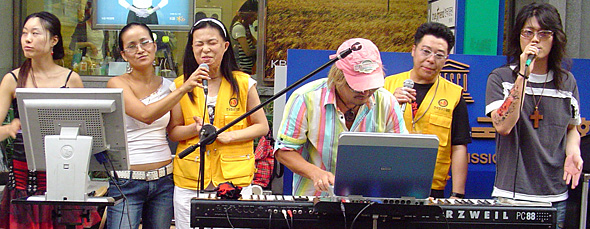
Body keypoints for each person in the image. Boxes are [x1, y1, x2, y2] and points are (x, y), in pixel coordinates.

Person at [485, 3, 582, 228]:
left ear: (555, 37)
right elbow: (503, 126)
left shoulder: (567, 82)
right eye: (528, 33)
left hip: (554, 196)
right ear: (518, 37)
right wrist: (522, 76)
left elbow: (572, 128)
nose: (535, 40)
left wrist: (573, 152)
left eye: (544, 33)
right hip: (510, 195)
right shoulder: (501, 78)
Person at [0, 11, 100, 228]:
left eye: (35, 33)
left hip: (64, 166)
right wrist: (9, 128)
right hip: (23, 172)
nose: (27, 39)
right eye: (25, 33)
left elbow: (84, 130)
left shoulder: (70, 79)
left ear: (54, 40)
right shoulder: (13, 79)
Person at [168, 17, 268, 229]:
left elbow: (262, 126)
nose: (205, 49)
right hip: (190, 181)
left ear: (225, 46)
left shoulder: (243, 83)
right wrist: (194, 130)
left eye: (212, 43)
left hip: (234, 180)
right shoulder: (180, 85)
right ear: (192, 48)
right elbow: (174, 132)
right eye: (199, 44)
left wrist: (230, 135)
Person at [275, 38, 408, 196]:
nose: (365, 92)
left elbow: (402, 152)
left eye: (371, 86)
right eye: (357, 87)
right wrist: (315, 172)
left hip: (371, 200)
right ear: (338, 77)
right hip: (315, 199)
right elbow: (284, 151)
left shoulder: (387, 101)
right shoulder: (305, 98)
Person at [105, 22, 200, 229]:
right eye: (131, 46)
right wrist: (183, 89)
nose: (140, 49)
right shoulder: (117, 84)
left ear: (154, 46)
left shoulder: (170, 86)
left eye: (144, 42)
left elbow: (174, 132)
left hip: (164, 180)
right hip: (126, 182)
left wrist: (196, 129)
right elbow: (145, 115)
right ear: (123, 54)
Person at [383, 22, 471, 199]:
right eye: (426, 51)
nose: (431, 59)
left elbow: (459, 145)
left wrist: (457, 194)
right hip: (386, 181)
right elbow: (367, 131)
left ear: (446, 59)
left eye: (439, 55)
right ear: (413, 50)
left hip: (432, 188)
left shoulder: (454, 94)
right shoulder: (386, 86)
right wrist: (388, 102)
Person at [230, 0, 257, 74]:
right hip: (241, 69)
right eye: (254, 17)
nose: (255, 19)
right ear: (248, 16)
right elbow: (247, 52)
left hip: (247, 68)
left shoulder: (245, 27)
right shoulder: (239, 28)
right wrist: (260, 51)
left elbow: (254, 42)